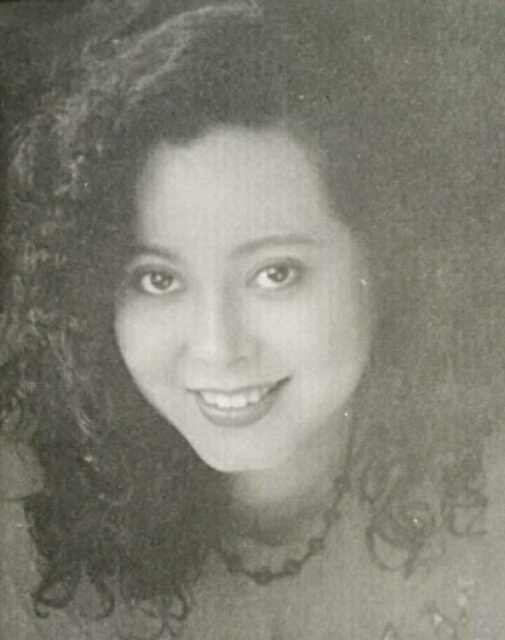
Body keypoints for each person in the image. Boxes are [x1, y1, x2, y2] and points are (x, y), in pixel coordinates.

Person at [1, 1, 505, 638]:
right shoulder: (15, 522)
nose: (217, 348)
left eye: (275, 273)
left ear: (384, 259)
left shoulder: (490, 480)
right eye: (158, 279)